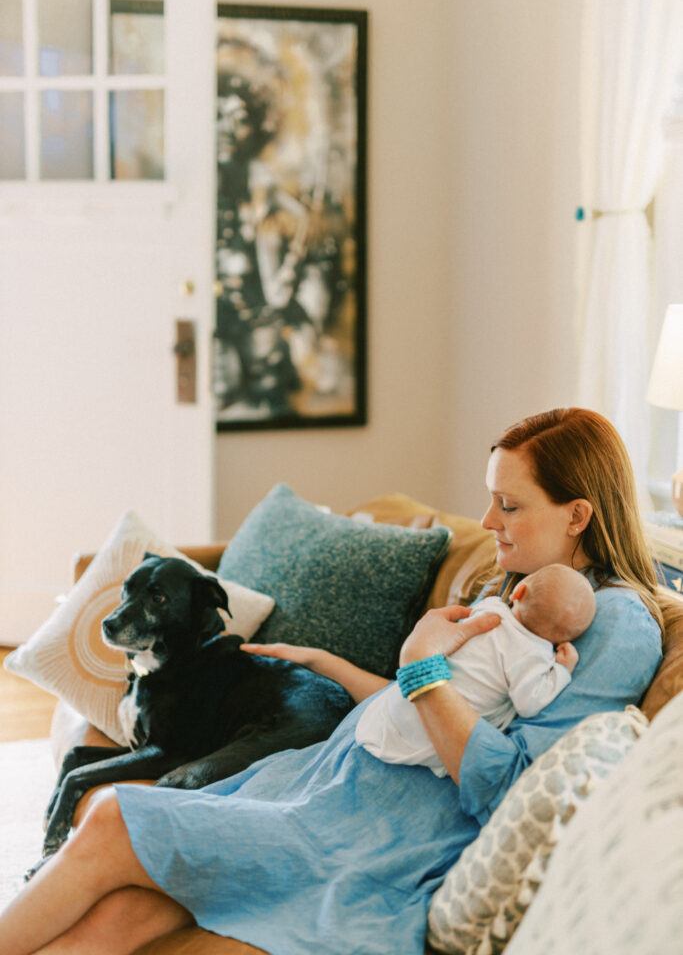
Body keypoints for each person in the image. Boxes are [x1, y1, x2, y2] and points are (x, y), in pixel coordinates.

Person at [0, 408, 665, 955]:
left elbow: (504, 782)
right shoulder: (519, 593)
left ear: (576, 515)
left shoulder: (613, 625)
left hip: (373, 832)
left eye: (508, 505)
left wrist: (423, 667)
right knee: (126, 912)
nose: (488, 521)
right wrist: (332, 664)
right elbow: (429, 715)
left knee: (116, 815)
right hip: (324, 779)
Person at [355, 563, 596, 775]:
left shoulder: (490, 607)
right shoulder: (534, 657)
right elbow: (530, 703)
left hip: (404, 706)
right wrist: (563, 670)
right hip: (434, 734)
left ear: (518, 591)